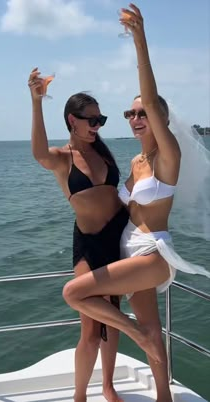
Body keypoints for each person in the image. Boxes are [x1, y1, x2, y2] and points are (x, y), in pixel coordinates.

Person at [63, 4, 210, 402]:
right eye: (130, 112)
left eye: (144, 111)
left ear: (161, 118)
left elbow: (149, 92)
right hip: (127, 251)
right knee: (154, 334)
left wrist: (139, 40)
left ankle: (132, 332)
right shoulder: (134, 162)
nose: (135, 116)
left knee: (74, 294)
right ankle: (164, 397)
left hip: (151, 252)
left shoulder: (168, 156)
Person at [28, 71, 129, 402]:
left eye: (101, 119)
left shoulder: (103, 152)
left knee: (112, 320)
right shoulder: (61, 159)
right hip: (89, 243)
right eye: (93, 120)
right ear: (72, 120)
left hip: (118, 238)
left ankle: (109, 386)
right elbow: (39, 152)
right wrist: (36, 101)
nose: (98, 126)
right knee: (90, 326)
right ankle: (80, 395)